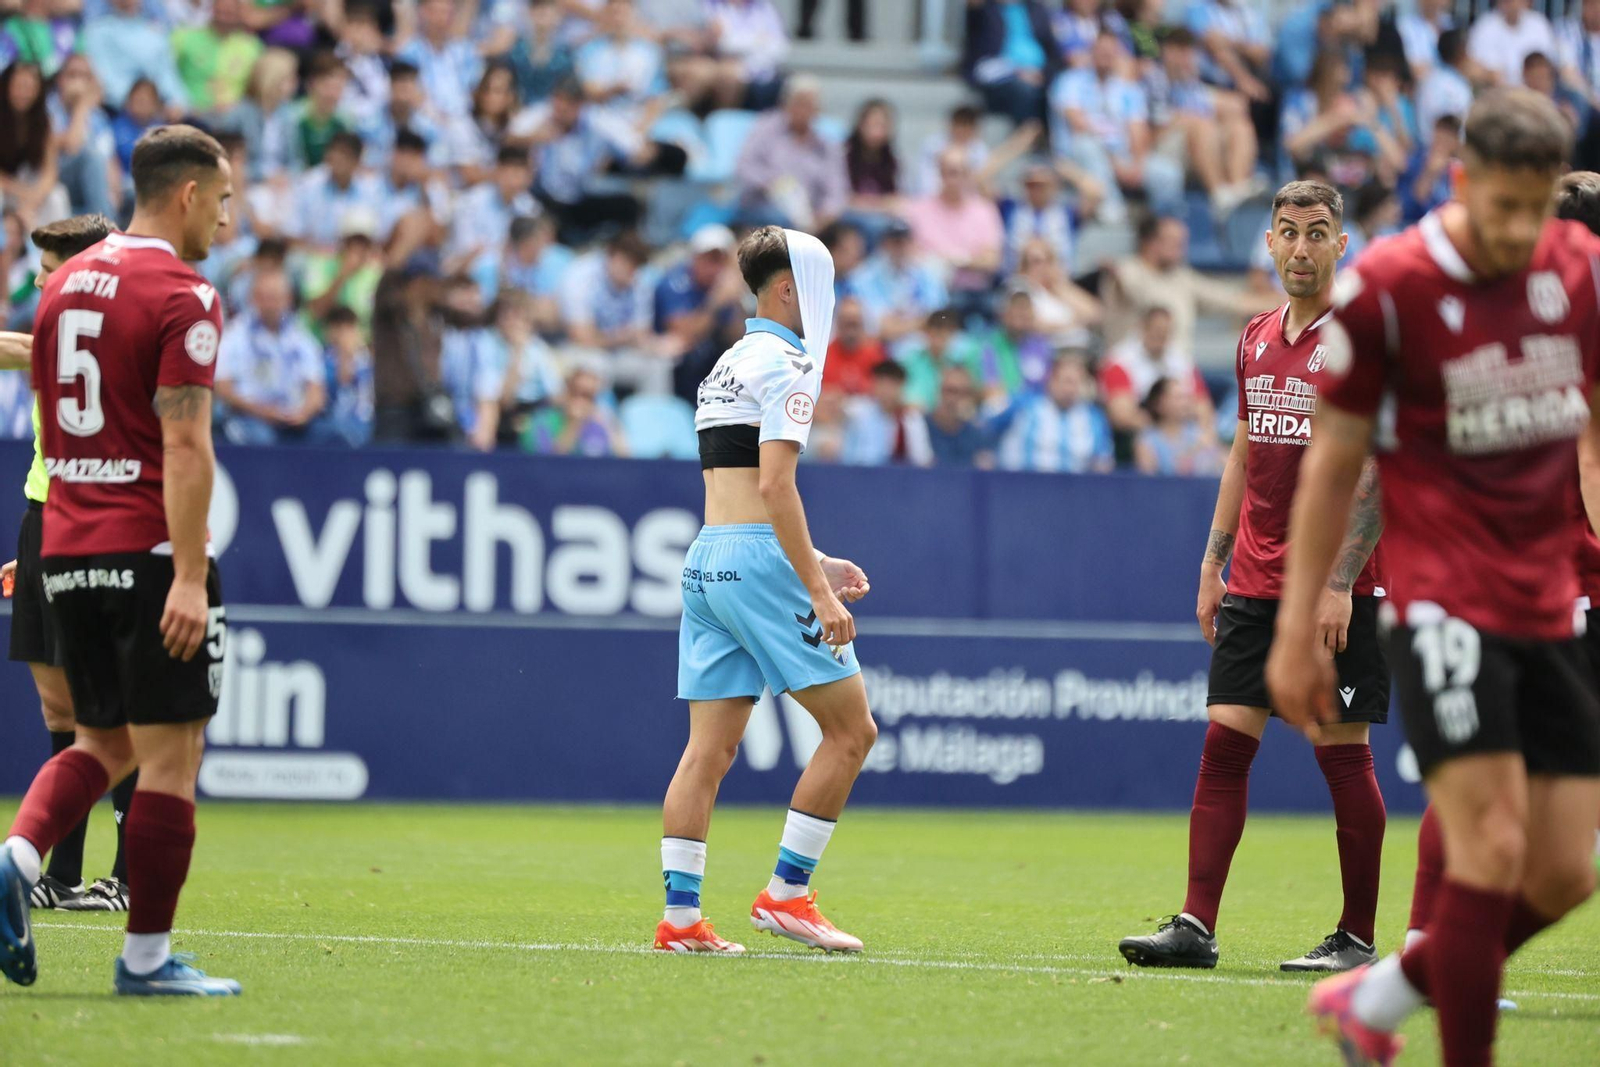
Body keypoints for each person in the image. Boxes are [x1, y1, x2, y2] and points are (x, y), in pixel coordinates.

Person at [1264, 90, 1600, 1067]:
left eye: (1531, 211)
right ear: (1459, 183)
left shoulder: (1573, 267)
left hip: (1547, 603)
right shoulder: (1391, 287)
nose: (1514, 233)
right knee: (1489, 851)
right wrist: (1298, 621)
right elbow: (1334, 462)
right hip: (1444, 602)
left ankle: (1380, 993)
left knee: (1566, 868)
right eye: (1499, 209)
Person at [1119, 181, 1389, 973]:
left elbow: (1378, 469)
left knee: (1342, 752)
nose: (1300, 248)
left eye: (1315, 233)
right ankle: (1195, 925)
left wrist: (1342, 578)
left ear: (1342, 244)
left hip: (1338, 588)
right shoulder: (1254, 338)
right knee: (1223, 745)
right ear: (1268, 244)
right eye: (1286, 233)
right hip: (1255, 580)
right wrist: (1212, 563)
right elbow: (1243, 452)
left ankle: (1358, 936)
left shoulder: (1362, 340)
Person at [0, 124, 240, 996]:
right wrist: (184, 571)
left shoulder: (60, 288)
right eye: (221, 202)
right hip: (144, 547)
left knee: (101, 739)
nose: (225, 220)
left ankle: (18, 857)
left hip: (62, 539)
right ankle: (146, 958)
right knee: (170, 757)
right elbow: (185, 444)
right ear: (185, 195)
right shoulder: (185, 292)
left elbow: (55, 430)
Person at [658, 224, 874, 955]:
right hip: (756, 563)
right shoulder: (790, 361)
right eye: (824, 289)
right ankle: (787, 894)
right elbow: (777, 484)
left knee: (705, 755)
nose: (831, 306)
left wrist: (815, 556)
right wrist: (817, 588)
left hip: (707, 561)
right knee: (852, 732)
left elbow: (740, 492)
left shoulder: (726, 363)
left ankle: (681, 920)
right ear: (790, 289)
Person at [0, 213, 134, 912]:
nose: (40, 283)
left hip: (99, 526)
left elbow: (18, 346)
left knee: (109, 708)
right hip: (43, 519)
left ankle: (131, 875)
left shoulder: (118, 331)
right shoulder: (62, 329)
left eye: (50, 270)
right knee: (60, 704)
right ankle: (64, 874)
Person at [214, 266, 328, 444]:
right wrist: (263, 411)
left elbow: (316, 389)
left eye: (276, 298)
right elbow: (223, 388)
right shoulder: (235, 335)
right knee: (262, 438)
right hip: (249, 417)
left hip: (294, 419)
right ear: (253, 298)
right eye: (264, 297)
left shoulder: (301, 336)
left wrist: (304, 413)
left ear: (289, 299)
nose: (270, 304)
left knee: (333, 435)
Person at [733, 74, 849, 229]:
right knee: (783, 222)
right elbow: (744, 167)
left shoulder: (826, 146)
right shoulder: (765, 129)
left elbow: (837, 191)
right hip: (764, 207)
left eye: (809, 105)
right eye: (799, 103)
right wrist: (772, 183)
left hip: (812, 215)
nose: (803, 110)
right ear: (786, 104)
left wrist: (825, 215)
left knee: (851, 228)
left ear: (818, 110)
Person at [997, 352, 1113, 473]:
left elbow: (1103, 461)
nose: (1070, 389)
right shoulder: (1024, 406)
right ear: (1051, 380)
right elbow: (988, 426)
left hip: (1074, 488)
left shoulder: (1094, 418)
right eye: (1066, 381)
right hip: (1023, 485)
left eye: (1076, 383)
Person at [841, 359, 933, 467]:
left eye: (892, 385)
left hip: (902, 478)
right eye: (881, 383)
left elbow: (923, 459)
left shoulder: (912, 419)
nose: (886, 390)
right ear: (874, 385)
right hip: (861, 474)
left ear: (902, 387)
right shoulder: (858, 411)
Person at [1133, 377, 1225, 477]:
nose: (1184, 403)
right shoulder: (1146, 442)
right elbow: (1148, 482)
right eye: (1178, 398)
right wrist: (1192, 452)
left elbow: (1225, 464)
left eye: (1186, 397)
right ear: (1158, 404)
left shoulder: (1200, 435)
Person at [924, 365, 994, 468]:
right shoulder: (920, 427)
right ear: (938, 391)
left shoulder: (977, 434)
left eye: (965, 393)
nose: (957, 398)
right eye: (951, 391)